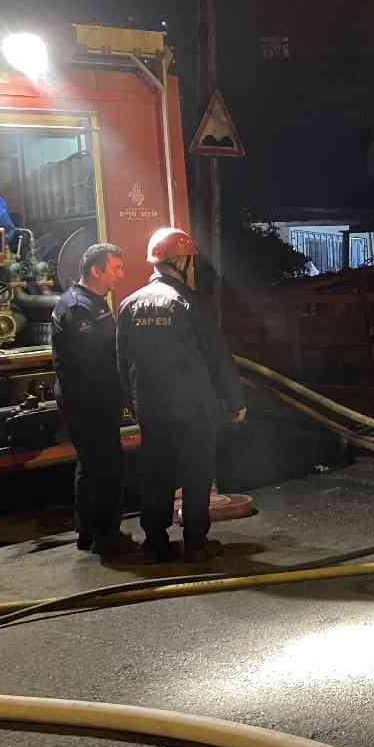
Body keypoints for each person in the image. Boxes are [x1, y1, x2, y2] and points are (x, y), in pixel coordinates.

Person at [116, 227, 246, 563]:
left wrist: (132, 404)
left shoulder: (129, 305)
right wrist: (234, 400)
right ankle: (195, 542)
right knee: (196, 472)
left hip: (151, 408)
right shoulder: (192, 303)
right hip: (192, 407)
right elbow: (216, 356)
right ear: (178, 261)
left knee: (156, 473)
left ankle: (155, 542)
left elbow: (122, 362)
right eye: (189, 260)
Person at [52, 242, 135, 557]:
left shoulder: (92, 302)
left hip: (95, 399)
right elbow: (94, 362)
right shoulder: (77, 307)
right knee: (103, 465)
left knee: (94, 463)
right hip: (88, 400)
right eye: (115, 269)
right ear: (96, 270)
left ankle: (90, 530)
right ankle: (103, 533)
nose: (120, 275)